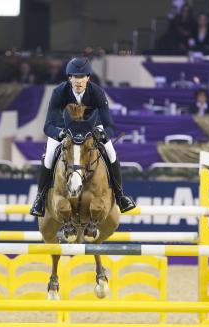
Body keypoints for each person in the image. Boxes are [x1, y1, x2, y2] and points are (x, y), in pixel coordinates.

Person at [29, 57, 136, 217]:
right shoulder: (59, 92)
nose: (78, 81)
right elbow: (48, 126)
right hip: (64, 129)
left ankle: (121, 197)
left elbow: (109, 125)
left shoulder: (97, 92)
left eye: (82, 77)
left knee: (111, 153)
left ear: (88, 78)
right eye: (74, 77)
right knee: (49, 156)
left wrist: (103, 134)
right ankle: (40, 198)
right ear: (69, 78)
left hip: (91, 129)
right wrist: (59, 134)